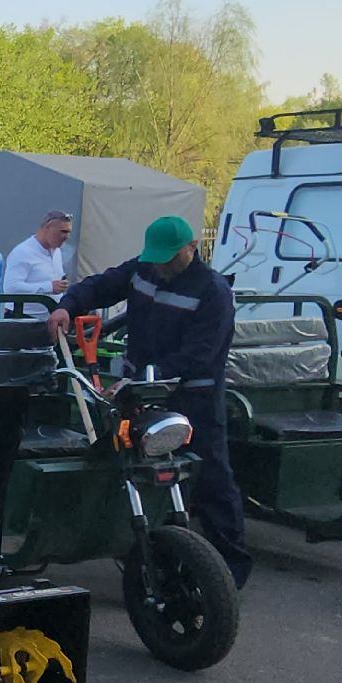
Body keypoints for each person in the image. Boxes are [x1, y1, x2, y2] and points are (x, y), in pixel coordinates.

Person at [46, 215, 250, 588]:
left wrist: (141, 380)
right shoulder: (144, 270)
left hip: (194, 397)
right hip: (142, 391)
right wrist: (67, 305)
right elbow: (101, 286)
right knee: (135, 472)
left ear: (192, 248)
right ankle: (149, 556)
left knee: (211, 480)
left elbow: (199, 355)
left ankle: (228, 574)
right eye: (156, 258)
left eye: (169, 259)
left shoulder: (212, 292)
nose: (161, 266)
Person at [3, 210, 73, 314]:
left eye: (69, 232)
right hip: (23, 320)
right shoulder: (23, 252)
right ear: (48, 227)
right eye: (63, 231)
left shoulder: (57, 252)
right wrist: (49, 287)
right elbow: (11, 289)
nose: (67, 237)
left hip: (49, 319)